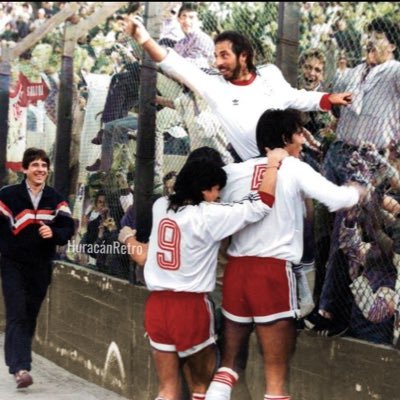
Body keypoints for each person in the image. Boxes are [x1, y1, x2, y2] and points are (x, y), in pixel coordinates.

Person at [204, 109, 366, 400]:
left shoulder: (233, 172)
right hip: (272, 274)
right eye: (298, 133)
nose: (303, 140)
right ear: (283, 138)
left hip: (237, 273)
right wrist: (357, 191)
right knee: (276, 375)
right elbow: (336, 199)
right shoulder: (293, 167)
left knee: (229, 365)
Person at [118, 146, 288, 400]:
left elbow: (143, 254)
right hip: (190, 307)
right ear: (203, 189)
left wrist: (129, 237)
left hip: (156, 306)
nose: (218, 195)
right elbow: (261, 204)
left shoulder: (161, 206)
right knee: (203, 389)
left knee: (167, 390)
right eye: (216, 189)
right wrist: (273, 163)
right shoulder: (208, 215)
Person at [124, 15, 353, 162]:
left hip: (289, 161)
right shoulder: (214, 86)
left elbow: (295, 97)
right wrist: (143, 38)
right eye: (215, 56)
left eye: (224, 55)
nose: (218, 62)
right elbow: (174, 63)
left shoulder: (269, 75)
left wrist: (328, 98)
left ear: (244, 56)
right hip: (248, 167)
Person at [306, 17, 400, 336]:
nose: (369, 42)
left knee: (347, 235)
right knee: (323, 232)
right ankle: (324, 304)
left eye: (377, 37)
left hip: (368, 158)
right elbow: (336, 109)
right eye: (367, 36)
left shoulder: (395, 71)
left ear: (392, 44)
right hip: (338, 153)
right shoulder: (352, 72)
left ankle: (332, 311)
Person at [0, 148, 75, 389]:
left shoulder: (56, 199)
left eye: (44, 165)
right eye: (35, 165)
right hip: (13, 264)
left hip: (41, 266)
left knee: (29, 315)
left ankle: (20, 361)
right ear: (24, 169)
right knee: (17, 312)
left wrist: (53, 233)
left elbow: (67, 230)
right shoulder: (8, 196)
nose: (40, 169)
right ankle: (20, 368)